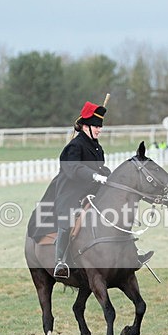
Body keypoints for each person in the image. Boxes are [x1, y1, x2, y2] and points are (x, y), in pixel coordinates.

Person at [31, 101, 153, 279]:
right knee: (67, 220)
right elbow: (73, 168)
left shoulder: (97, 146)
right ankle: (60, 262)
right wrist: (94, 176)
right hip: (69, 192)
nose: (99, 130)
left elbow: (100, 167)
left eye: (100, 126)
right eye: (96, 126)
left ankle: (131, 256)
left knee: (117, 213)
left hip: (92, 190)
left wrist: (108, 176)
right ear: (85, 126)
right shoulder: (74, 146)